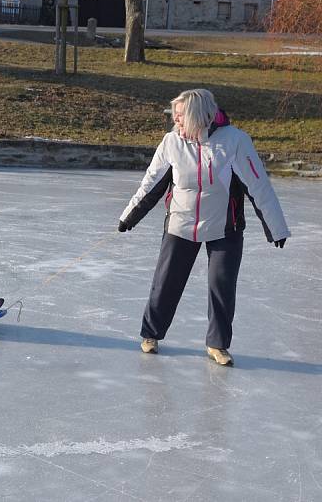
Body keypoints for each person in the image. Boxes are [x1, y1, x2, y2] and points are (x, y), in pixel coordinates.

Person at [118, 89, 290, 366]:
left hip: (225, 227)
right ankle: (151, 334)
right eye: (174, 114)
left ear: (198, 115)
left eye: (180, 115)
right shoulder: (171, 142)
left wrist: (276, 227)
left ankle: (218, 345)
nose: (175, 119)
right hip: (180, 223)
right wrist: (129, 216)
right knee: (165, 283)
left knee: (221, 286)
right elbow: (151, 184)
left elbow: (258, 185)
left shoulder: (234, 141)